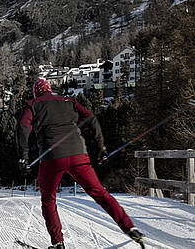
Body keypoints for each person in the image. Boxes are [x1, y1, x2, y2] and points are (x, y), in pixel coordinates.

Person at [16, 79, 144, 249]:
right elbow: (91, 119)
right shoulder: (69, 101)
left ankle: (58, 242)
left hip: (52, 158)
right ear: (50, 89)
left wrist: (22, 156)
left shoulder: (32, 104)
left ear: (35, 93)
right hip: (78, 154)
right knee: (100, 193)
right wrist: (101, 148)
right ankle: (130, 227)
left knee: (48, 199)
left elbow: (22, 127)